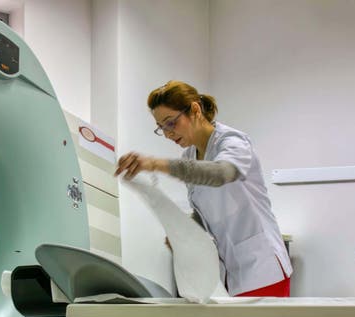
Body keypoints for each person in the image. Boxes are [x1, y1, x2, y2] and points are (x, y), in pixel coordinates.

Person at [115, 80, 293, 299]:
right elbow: (206, 212)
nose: (168, 134)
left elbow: (221, 173)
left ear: (195, 110)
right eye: (162, 128)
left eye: (171, 123)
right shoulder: (189, 156)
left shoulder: (232, 141)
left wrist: (154, 163)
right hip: (232, 271)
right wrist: (184, 231)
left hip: (263, 266)